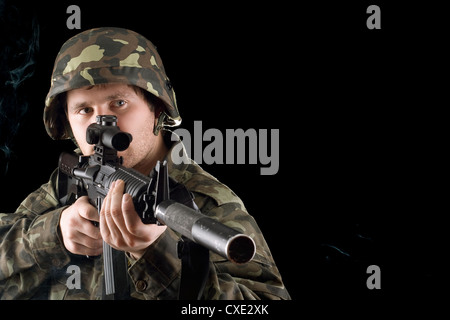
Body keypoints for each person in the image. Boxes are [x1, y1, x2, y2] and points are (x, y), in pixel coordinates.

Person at [0, 27, 290, 300]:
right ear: (66, 121)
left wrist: (156, 253)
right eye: (84, 109)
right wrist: (54, 233)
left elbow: (258, 302)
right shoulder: (70, 182)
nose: (102, 122)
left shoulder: (204, 203)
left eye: (119, 104)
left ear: (157, 108)